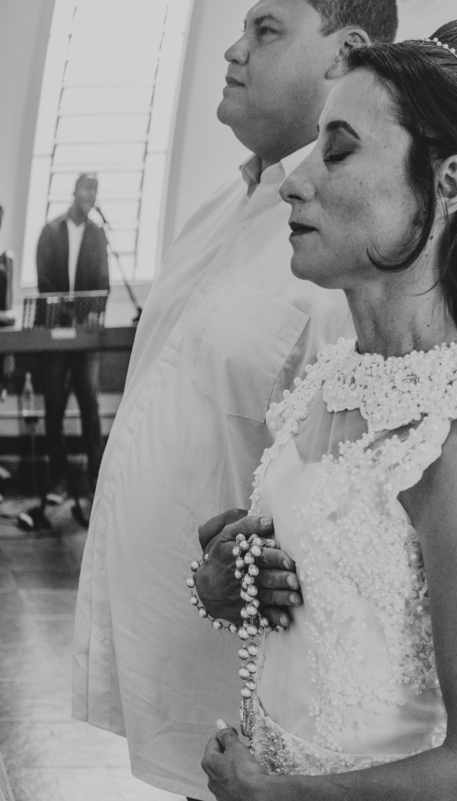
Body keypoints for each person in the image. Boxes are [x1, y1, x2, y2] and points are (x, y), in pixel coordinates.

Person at [196, 22, 457, 797]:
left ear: (447, 187)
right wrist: (225, 581)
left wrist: (278, 794)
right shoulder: (330, 379)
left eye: (338, 149)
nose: (296, 180)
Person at [71, 2, 398, 798]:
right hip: (179, 661)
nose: (234, 49)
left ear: (343, 54)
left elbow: (355, 507)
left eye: (266, 30)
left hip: (260, 690)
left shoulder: (341, 244)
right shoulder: (218, 211)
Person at [34, 172, 109, 498]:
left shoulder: (98, 235)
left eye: (95, 189)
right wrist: (66, 313)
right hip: (55, 332)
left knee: (90, 406)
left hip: (86, 337)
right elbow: (45, 280)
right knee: (54, 406)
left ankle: (95, 480)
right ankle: (58, 480)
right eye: (87, 188)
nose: (91, 194)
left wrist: (91, 314)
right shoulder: (50, 232)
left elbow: (103, 279)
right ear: (75, 191)